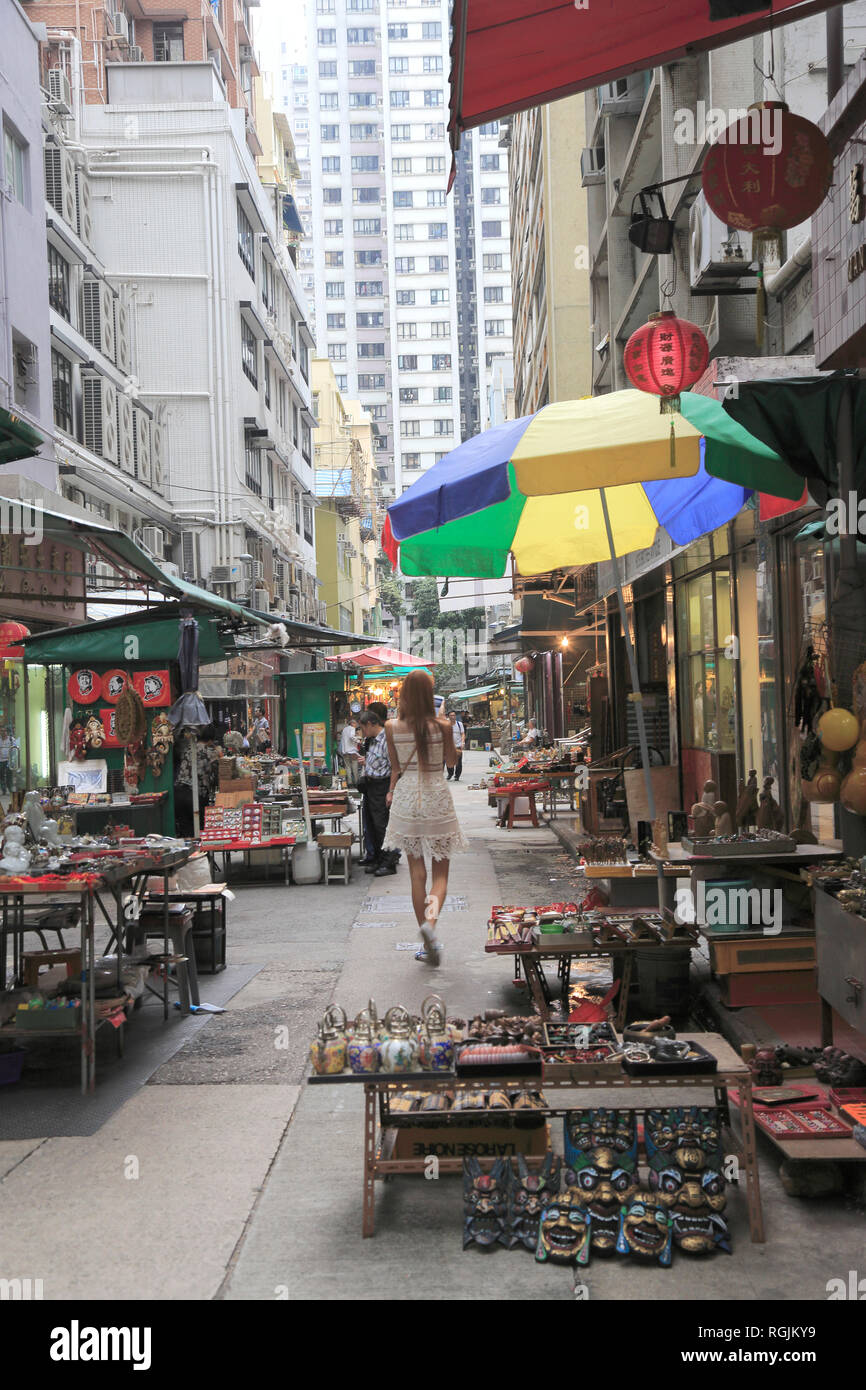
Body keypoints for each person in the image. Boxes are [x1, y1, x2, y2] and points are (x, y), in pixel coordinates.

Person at [383, 669, 469, 966]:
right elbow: (451, 761)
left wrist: (392, 790)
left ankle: (425, 940)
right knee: (441, 875)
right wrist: (444, 722)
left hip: (407, 798)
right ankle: (430, 927)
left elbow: (395, 768)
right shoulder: (443, 725)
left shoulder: (391, 726)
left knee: (416, 873)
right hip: (436, 797)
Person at [358, 708, 399, 876]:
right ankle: (377, 859)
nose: (362, 732)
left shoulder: (387, 740)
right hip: (370, 786)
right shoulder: (372, 740)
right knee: (372, 825)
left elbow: (395, 768)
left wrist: (391, 791)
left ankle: (389, 862)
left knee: (382, 826)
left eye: (363, 728)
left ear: (370, 724)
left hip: (382, 786)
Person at [339, 715, 361, 787]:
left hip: (345, 751)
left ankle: (350, 782)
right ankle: (356, 782)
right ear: (353, 724)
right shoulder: (352, 728)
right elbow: (352, 737)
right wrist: (358, 741)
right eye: (355, 724)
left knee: (347, 767)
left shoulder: (344, 729)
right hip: (352, 752)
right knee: (354, 767)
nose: (356, 725)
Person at [446, 710, 464, 782]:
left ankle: (457, 776)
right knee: (449, 761)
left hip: (458, 746)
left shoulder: (459, 724)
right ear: (448, 716)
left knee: (458, 762)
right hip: (449, 746)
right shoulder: (446, 724)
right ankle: (450, 774)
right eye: (451, 715)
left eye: (454, 715)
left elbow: (462, 734)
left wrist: (463, 743)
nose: (453, 717)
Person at [0, 726, 11, 796]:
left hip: (8, 761)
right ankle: (3, 789)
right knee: (1, 775)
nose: (3, 732)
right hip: (0, 760)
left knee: (9, 775)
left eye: (4, 731)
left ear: (7, 732)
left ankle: (10, 789)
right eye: (1, 731)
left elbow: (15, 748)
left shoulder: (11, 739)